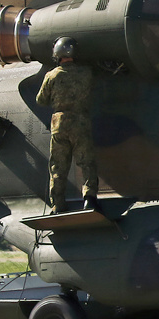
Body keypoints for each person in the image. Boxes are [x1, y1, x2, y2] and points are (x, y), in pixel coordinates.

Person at [36, 37, 98, 213]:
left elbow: (40, 100)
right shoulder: (86, 73)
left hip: (59, 124)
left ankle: (57, 204)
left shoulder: (52, 75)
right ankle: (90, 199)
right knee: (86, 162)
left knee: (58, 166)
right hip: (81, 121)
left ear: (57, 54)